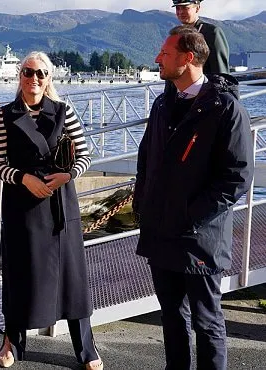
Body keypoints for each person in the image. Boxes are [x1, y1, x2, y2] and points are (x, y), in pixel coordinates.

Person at [134, 26, 253, 370]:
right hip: (161, 233)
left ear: (187, 59)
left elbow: (237, 176)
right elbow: (147, 159)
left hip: (199, 237)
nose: (158, 58)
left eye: (165, 54)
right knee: (171, 317)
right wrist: (143, 203)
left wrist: (189, 215)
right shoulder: (162, 103)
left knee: (206, 320)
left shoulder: (225, 109)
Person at [0, 51, 102, 370]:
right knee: (19, 275)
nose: (33, 79)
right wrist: (23, 178)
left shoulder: (65, 112)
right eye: (28, 72)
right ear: (19, 76)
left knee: (73, 278)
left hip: (59, 203)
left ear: (49, 78)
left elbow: (85, 156)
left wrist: (68, 175)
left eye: (40, 73)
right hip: (22, 205)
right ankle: (11, 342)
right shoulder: (4, 116)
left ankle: (87, 349)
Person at [173, 0, 229, 74]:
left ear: (197, 8)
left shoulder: (211, 32)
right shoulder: (176, 34)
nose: (180, 12)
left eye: (185, 8)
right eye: (178, 8)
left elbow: (220, 71)